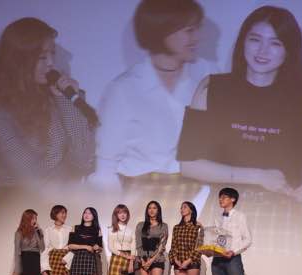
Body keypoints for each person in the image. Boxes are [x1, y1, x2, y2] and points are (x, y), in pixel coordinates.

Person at [178, 5, 302, 256]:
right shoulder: (213, 89)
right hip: (224, 212)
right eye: (255, 39)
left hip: (282, 217)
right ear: (242, 42)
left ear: (288, 50)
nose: (262, 51)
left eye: (275, 43)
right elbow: (189, 165)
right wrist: (258, 176)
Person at [0, 17, 97, 257]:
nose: (51, 64)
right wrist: (64, 159)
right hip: (15, 219)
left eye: (52, 54)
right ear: (19, 61)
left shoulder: (55, 100)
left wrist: (64, 101)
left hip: (57, 219)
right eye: (42, 57)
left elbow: (84, 160)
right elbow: (32, 178)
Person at [90, 0, 217, 214]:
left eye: (197, 29)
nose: (197, 38)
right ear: (163, 31)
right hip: (140, 203)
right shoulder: (124, 89)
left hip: (197, 200)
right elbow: (106, 167)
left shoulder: (205, 78)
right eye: (189, 30)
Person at [67, 207, 103, 275]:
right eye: (85, 213)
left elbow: (100, 248)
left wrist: (97, 247)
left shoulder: (97, 230)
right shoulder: (75, 228)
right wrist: (85, 246)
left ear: (94, 216)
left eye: (90, 213)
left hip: (91, 260)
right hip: (78, 259)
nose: (86, 215)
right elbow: (70, 245)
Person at [40, 205, 72, 275]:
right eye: (62, 213)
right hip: (52, 261)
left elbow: (72, 248)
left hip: (65, 261)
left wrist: (67, 259)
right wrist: (44, 268)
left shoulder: (69, 229)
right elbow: (46, 249)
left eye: (65, 213)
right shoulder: (48, 230)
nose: (64, 215)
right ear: (55, 214)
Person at [107, 204, 136, 275]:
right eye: (119, 213)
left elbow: (133, 247)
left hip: (129, 260)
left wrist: (131, 262)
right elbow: (111, 247)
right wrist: (123, 255)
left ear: (127, 214)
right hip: (116, 259)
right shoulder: (111, 229)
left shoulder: (131, 230)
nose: (122, 215)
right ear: (116, 215)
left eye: (124, 212)